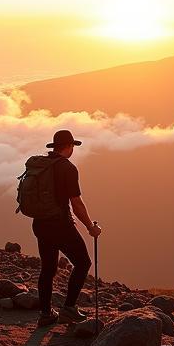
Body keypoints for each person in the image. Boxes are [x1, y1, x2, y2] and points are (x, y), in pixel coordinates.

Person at [33, 129, 102, 326]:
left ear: (55, 146)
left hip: (40, 223)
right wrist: (90, 227)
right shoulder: (68, 168)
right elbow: (76, 203)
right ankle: (69, 309)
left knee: (48, 268)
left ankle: (46, 314)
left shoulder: (42, 164)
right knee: (83, 263)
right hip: (60, 224)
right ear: (70, 146)